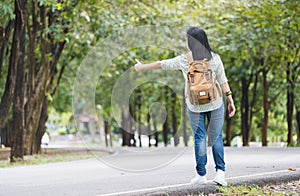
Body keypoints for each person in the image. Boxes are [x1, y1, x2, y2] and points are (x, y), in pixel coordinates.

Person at [134, 27, 236, 186]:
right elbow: (223, 80)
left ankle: (201, 175)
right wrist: (230, 99)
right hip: (215, 102)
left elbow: (163, 64)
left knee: (200, 138)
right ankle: (220, 174)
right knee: (216, 137)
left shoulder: (184, 60)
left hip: (194, 104)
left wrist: (142, 67)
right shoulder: (215, 58)